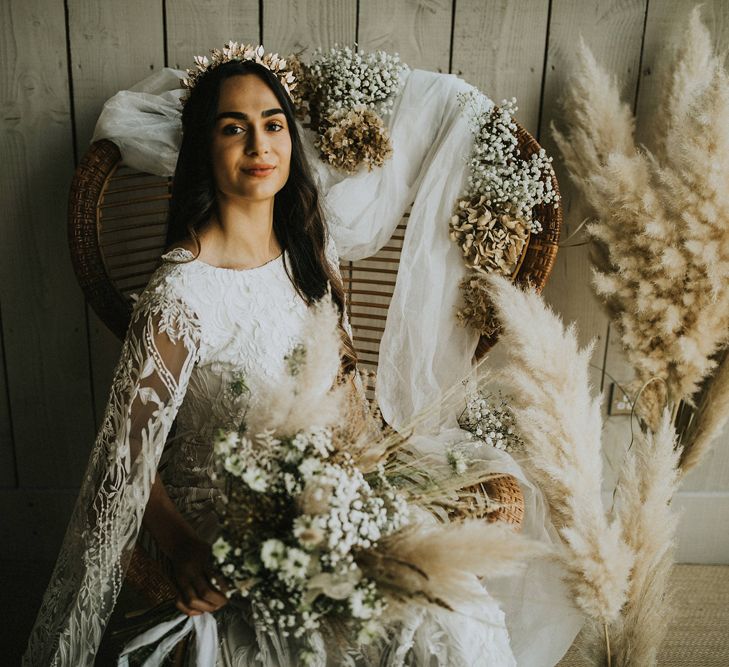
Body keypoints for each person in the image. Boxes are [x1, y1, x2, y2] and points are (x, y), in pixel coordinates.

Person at [23, 54, 522, 666]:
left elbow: (345, 386)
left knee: (451, 613)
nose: (259, 143)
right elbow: (125, 460)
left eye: (273, 124)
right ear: (205, 150)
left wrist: (368, 481)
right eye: (233, 128)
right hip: (235, 519)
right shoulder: (181, 296)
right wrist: (183, 551)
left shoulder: (312, 254)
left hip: (333, 494)